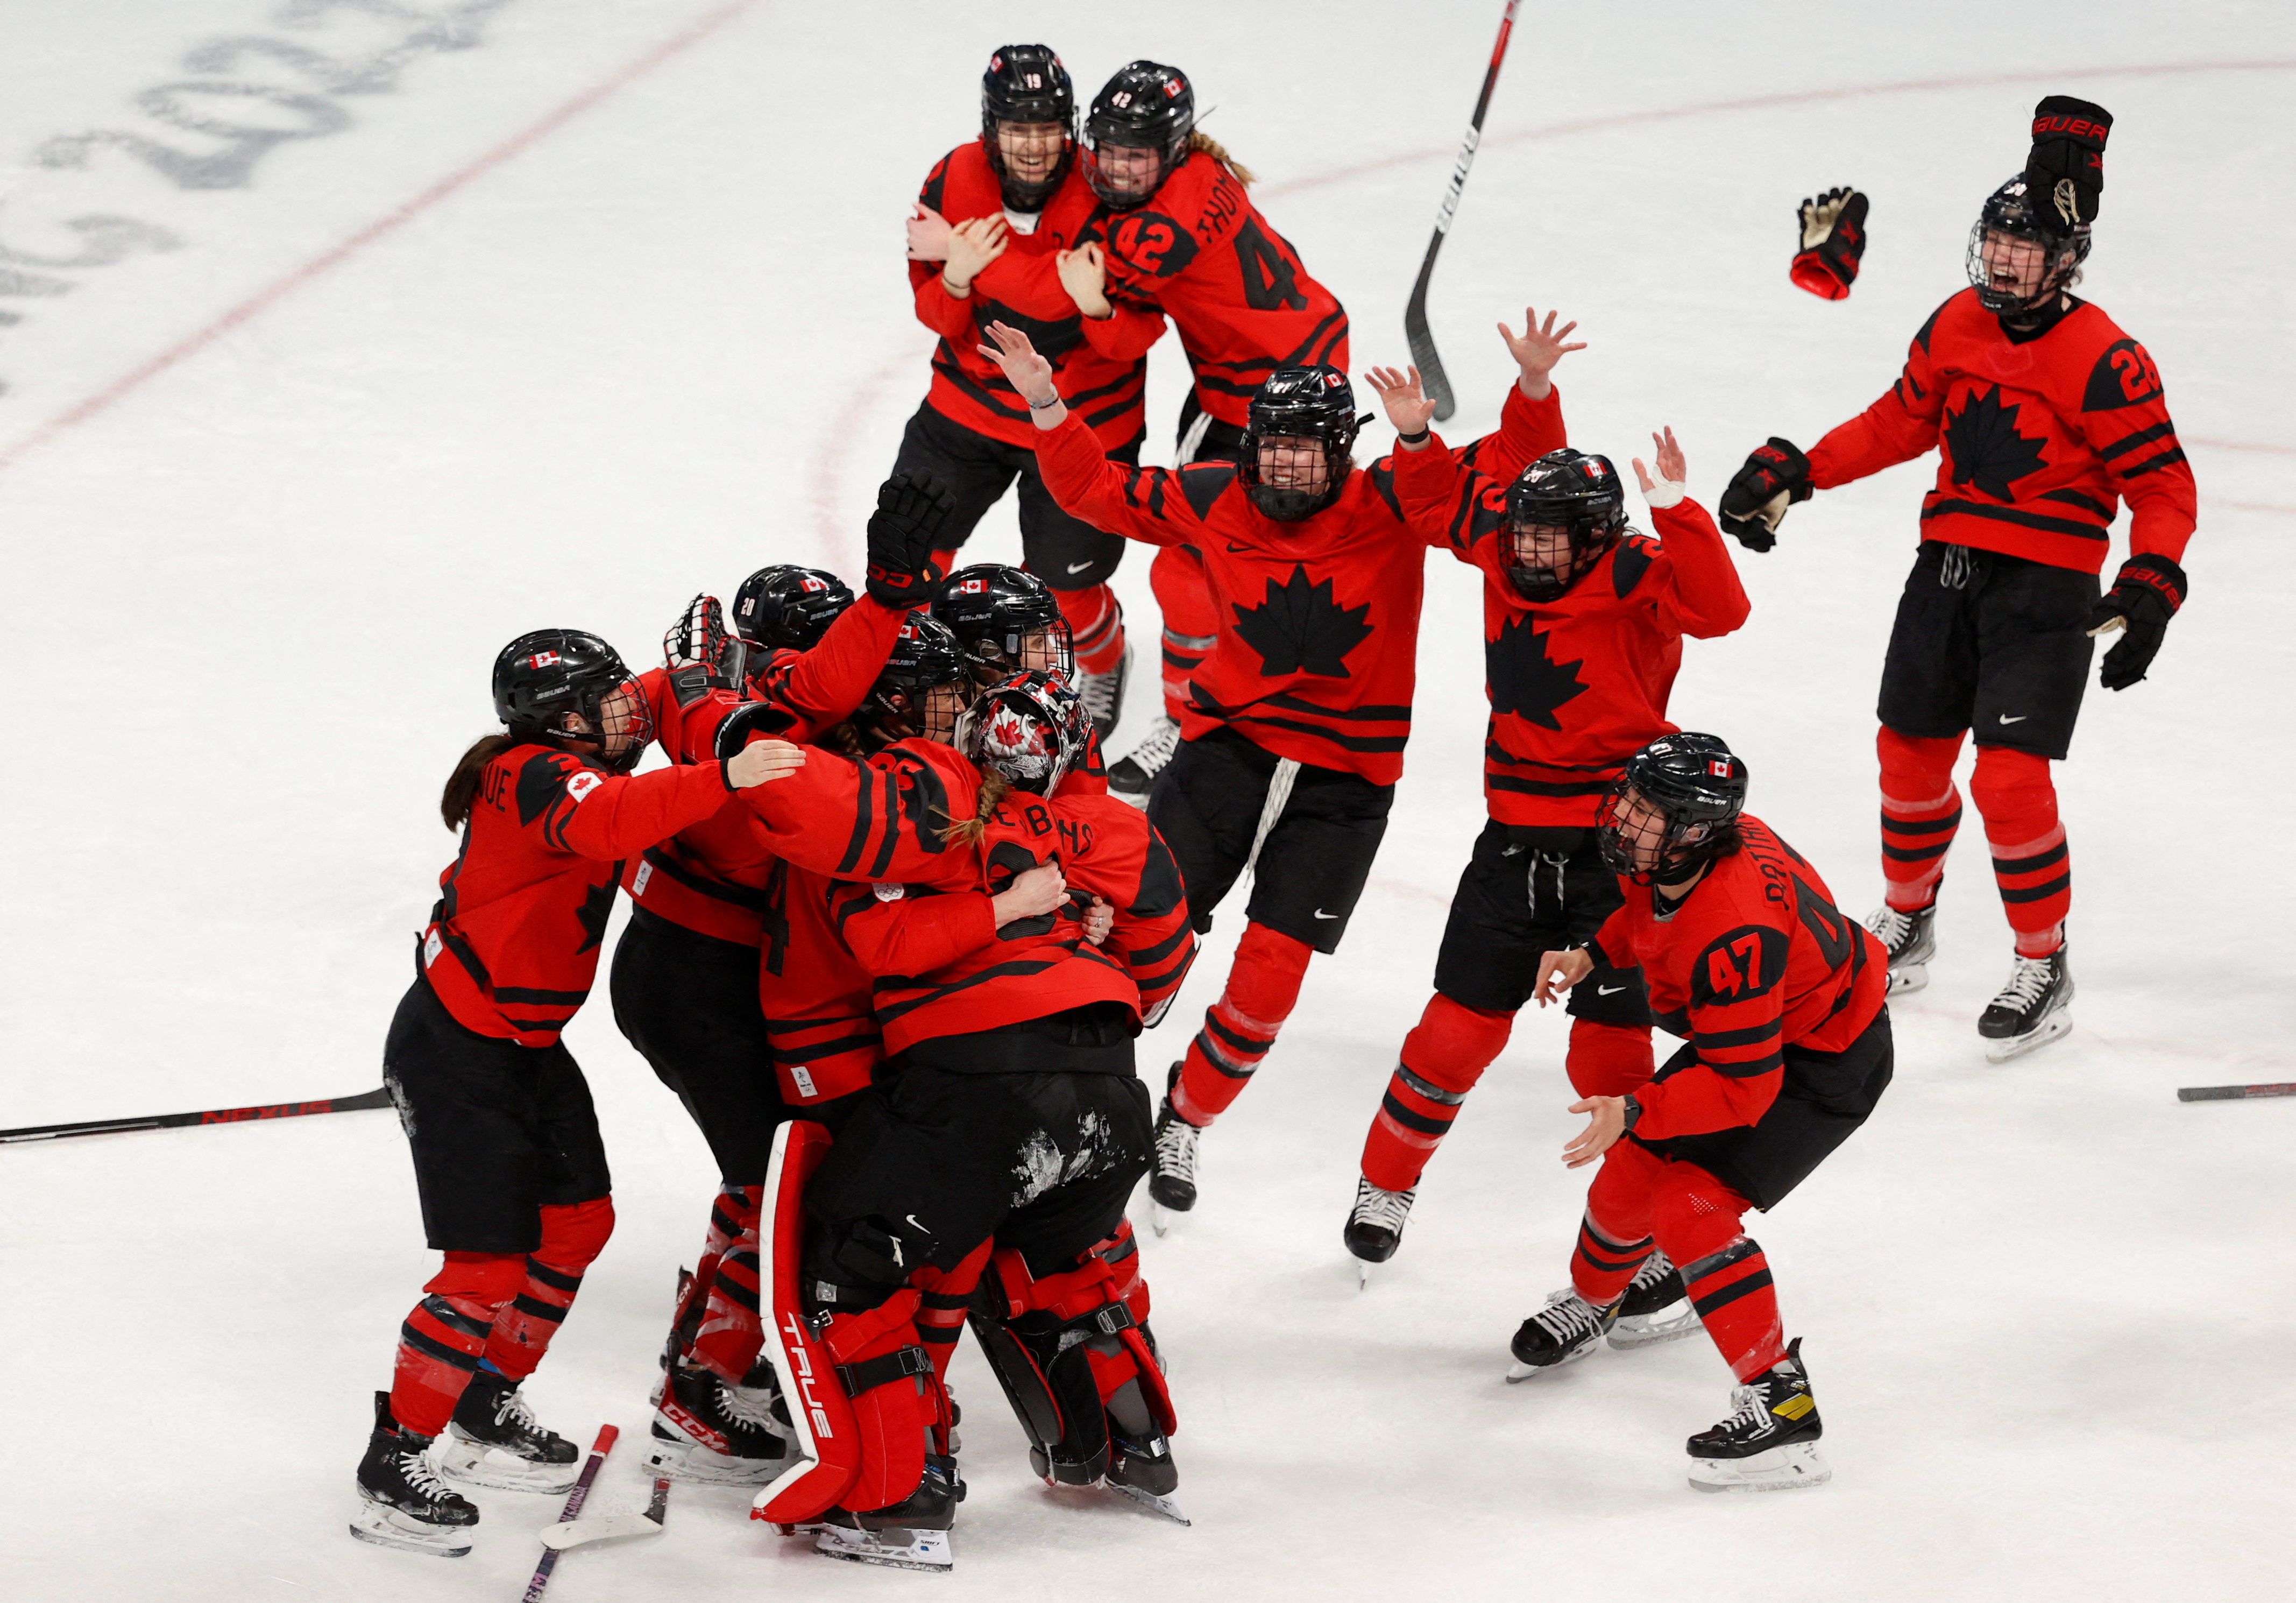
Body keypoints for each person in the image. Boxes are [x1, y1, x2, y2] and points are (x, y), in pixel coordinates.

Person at [979, 307, 1582, 1225]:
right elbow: (1098, 494)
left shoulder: (1395, 500)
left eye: (1308, 450)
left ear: (1345, 451)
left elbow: (1505, 479)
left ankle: (1182, 1116)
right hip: (1225, 754)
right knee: (1139, 937)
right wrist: (1047, 402)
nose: (1287, 467)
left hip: (1347, 784)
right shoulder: (1215, 492)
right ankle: (1061, 1115)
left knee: (1271, 976)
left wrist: (1533, 390)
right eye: (1275, 448)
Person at [1716, 95, 2196, 1061]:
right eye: (1996, 239)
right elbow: (1900, 422)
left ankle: (2040, 959)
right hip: (1947, 569)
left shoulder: (2107, 358)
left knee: (2010, 779)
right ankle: (1908, 921)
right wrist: (1801, 469)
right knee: (1908, 755)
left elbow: (2165, 484)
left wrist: (2153, 579)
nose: (2005, 258)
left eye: (2025, 246)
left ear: (2067, 259)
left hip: (2047, 586)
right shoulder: (1955, 324)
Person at [351, 630, 803, 1557]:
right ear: (561, 721)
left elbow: (628, 724)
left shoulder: (565, 746)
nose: (627, 716)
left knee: (578, 1224)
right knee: (484, 1271)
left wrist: (688, 673)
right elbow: (611, 821)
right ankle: (392, 1462)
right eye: (608, 704)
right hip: (457, 1051)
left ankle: (481, 1399)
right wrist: (731, 770)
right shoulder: (530, 775)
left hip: (525, 1048)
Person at [735, 673, 1196, 1567]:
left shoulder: (923, 803)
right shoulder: (1110, 827)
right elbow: (1168, 957)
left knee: (855, 1268)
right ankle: (1131, 1449)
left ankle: (899, 1500)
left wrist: (995, 914)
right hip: (1113, 1094)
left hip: (985, 1085)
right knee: (1060, 1266)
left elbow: (878, 941)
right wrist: (1088, 931)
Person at [1345, 422, 1752, 1301]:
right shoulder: (1502, 538)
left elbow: (1722, 612)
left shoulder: (1638, 569)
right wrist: (1418, 435)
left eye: (1548, 538)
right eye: (1521, 532)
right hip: (1515, 839)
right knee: (1453, 1033)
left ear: (1600, 535)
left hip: (1623, 850)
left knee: (1611, 1061)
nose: (1527, 551)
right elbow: (1424, 504)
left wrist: (1681, 513)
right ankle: (1387, 1183)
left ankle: (1633, 1241)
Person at [619, 473, 951, 1485]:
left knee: (772, 1170)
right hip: (696, 982)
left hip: (707, 974)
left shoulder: (725, 697)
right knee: (772, 1178)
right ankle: (700, 1378)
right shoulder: (734, 714)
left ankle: (709, 1348)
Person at [1511, 735, 1889, 1493]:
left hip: (1821, 1063)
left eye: (1646, 812)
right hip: (1770, 1036)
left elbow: (1743, 1089)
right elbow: (1649, 914)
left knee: (1688, 1207)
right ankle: (1598, 1299)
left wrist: (1636, 1105)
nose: (1624, 817)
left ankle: (1783, 1404)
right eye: (1631, 798)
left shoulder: (1734, 933)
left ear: (1691, 831)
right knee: (1628, 1178)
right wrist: (1594, 952)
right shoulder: (1683, 858)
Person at [1064, 60, 1351, 803]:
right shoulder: (1201, 171)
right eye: (1110, 149)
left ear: (1172, 148)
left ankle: (1195, 727)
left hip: (1265, 400)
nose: (1119, 168)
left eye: (1137, 154)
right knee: (1266, 555)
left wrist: (1083, 300)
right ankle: (1269, 705)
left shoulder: (1158, 229)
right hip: (1298, 366)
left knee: (1188, 567)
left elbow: (1121, 336)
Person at [898, 44, 1166, 740]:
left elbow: (1136, 335)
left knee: (1068, 592)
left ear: (1070, 126)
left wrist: (1093, 306)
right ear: (991, 128)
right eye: (1017, 128)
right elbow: (934, 314)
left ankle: (1105, 664)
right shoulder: (952, 177)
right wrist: (956, 278)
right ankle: (914, 684)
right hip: (965, 410)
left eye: (1048, 127)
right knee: (906, 552)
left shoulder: (1109, 189)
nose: (1034, 145)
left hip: (1081, 427)